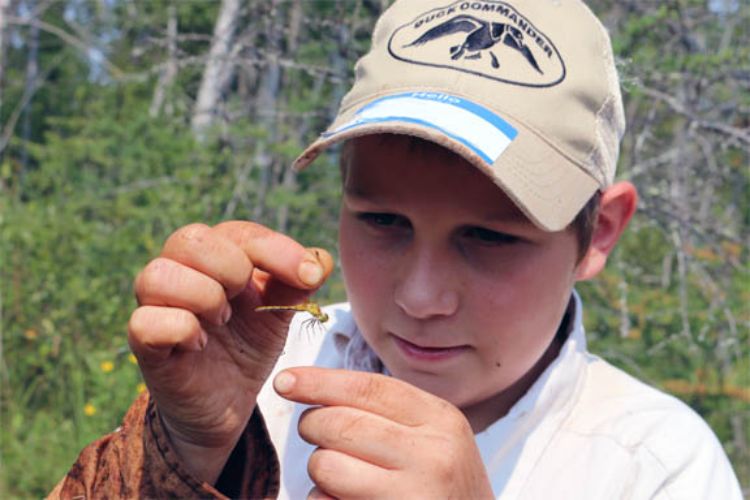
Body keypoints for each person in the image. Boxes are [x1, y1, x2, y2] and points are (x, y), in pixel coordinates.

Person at [50, 1, 743, 498]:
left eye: (490, 236)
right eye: (383, 221)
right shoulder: (267, 374)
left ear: (600, 232)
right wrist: (187, 454)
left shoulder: (655, 466)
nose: (420, 297)